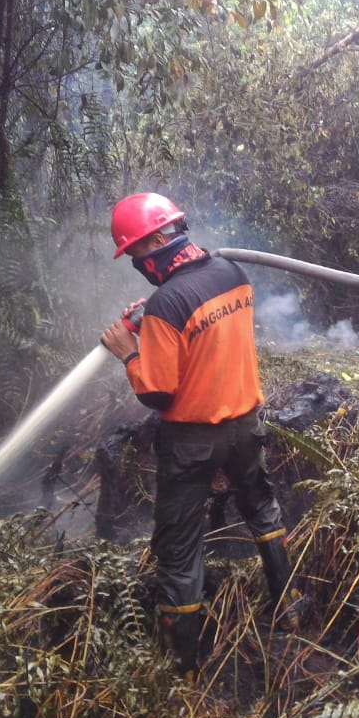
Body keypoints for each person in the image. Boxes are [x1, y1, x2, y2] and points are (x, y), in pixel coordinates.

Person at [100, 191, 297, 679]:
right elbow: (206, 338)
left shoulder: (168, 302)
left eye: (135, 256)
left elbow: (160, 392)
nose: (138, 266)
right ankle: (288, 606)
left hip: (192, 441)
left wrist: (129, 351)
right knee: (263, 510)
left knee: (179, 550)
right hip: (246, 425)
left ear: (150, 245)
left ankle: (179, 672)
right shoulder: (230, 274)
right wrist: (156, 320)